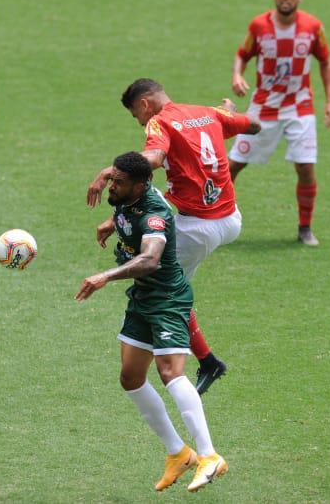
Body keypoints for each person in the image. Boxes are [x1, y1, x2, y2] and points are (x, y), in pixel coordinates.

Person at [87, 79, 260, 394]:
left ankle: (206, 361)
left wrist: (109, 171)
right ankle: (203, 359)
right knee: (165, 272)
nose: (141, 123)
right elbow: (254, 126)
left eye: (137, 116)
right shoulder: (207, 113)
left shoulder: (160, 121)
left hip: (199, 227)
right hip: (230, 218)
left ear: (144, 104)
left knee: (161, 286)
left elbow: (153, 158)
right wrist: (226, 113)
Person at [76, 152, 228, 492]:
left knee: (170, 372)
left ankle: (209, 456)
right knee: (130, 378)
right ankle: (179, 454)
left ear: (141, 186)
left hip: (168, 299)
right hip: (143, 298)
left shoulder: (155, 215)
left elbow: (149, 260)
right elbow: (122, 197)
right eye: (112, 179)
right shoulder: (127, 194)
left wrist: (105, 276)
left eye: (118, 183)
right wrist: (112, 218)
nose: (112, 186)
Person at [229, 0, 330, 246]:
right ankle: (216, 218)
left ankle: (305, 228)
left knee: (306, 167)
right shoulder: (259, 26)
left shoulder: (313, 27)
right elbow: (242, 55)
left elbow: (325, 62)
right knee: (234, 165)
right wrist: (237, 75)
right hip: (264, 107)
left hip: (300, 107)